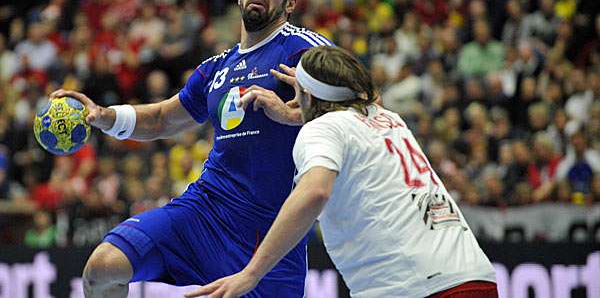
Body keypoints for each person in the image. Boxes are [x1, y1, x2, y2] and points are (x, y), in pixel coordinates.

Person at [51, 0, 333, 297]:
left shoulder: (303, 49)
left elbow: (364, 103)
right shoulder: (217, 68)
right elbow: (161, 118)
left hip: (269, 234)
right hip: (203, 213)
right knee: (102, 268)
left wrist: (293, 114)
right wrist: (106, 116)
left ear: (290, 3)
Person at [187, 46, 498, 298]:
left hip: (414, 287)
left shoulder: (321, 129)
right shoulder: (390, 119)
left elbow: (315, 191)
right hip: (474, 276)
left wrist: (250, 274)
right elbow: (361, 100)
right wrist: (312, 91)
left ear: (306, 95)